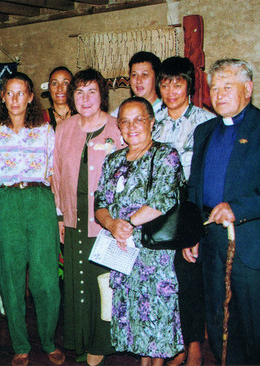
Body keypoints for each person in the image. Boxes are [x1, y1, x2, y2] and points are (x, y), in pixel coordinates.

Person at [185, 58, 260, 365]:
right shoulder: (204, 131)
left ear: (247, 89)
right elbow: (195, 188)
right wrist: (193, 232)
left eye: (228, 86)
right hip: (212, 243)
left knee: (258, 326)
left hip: (255, 245)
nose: (219, 94)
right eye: (214, 87)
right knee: (220, 321)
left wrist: (237, 208)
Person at [0, 72, 64, 366]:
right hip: (6, 203)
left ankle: (50, 340)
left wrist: (60, 216)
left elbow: (55, 175)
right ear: (2, 96)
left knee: (45, 280)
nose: (15, 99)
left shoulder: (45, 132)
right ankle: (20, 344)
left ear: (30, 97)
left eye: (21, 93)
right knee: (10, 278)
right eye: (9, 93)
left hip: (40, 202)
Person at [95, 97, 185, 366]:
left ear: (151, 122)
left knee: (155, 311)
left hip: (153, 251)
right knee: (134, 311)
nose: (131, 126)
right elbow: (100, 202)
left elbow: (163, 198)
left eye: (139, 119)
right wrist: (113, 224)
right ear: (119, 126)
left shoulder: (165, 155)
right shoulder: (113, 161)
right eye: (125, 121)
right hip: (123, 248)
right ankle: (143, 363)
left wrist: (129, 224)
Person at [52, 68, 125, 366]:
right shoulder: (64, 128)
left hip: (105, 222)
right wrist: (59, 216)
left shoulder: (116, 127)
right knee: (75, 281)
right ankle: (79, 339)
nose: (85, 98)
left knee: (101, 285)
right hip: (73, 218)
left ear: (102, 95)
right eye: (79, 92)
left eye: (91, 91)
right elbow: (56, 174)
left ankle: (99, 344)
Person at [154, 56, 215, 366]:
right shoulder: (152, 120)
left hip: (191, 203)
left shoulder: (206, 122)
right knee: (163, 281)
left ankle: (193, 346)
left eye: (177, 83)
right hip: (157, 209)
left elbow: (208, 174)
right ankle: (169, 343)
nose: (171, 91)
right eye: (165, 84)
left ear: (189, 84)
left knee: (189, 280)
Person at [111, 51, 163, 124]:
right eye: (134, 75)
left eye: (144, 75)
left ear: (156, 78)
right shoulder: (122, 111)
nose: (138, 80)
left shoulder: (164, 112)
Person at [43, 66, 75, 130]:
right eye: (54, 83)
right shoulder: (41, 117)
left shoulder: (82, 116)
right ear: (49, 88)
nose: (60, 89)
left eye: (65, 83)